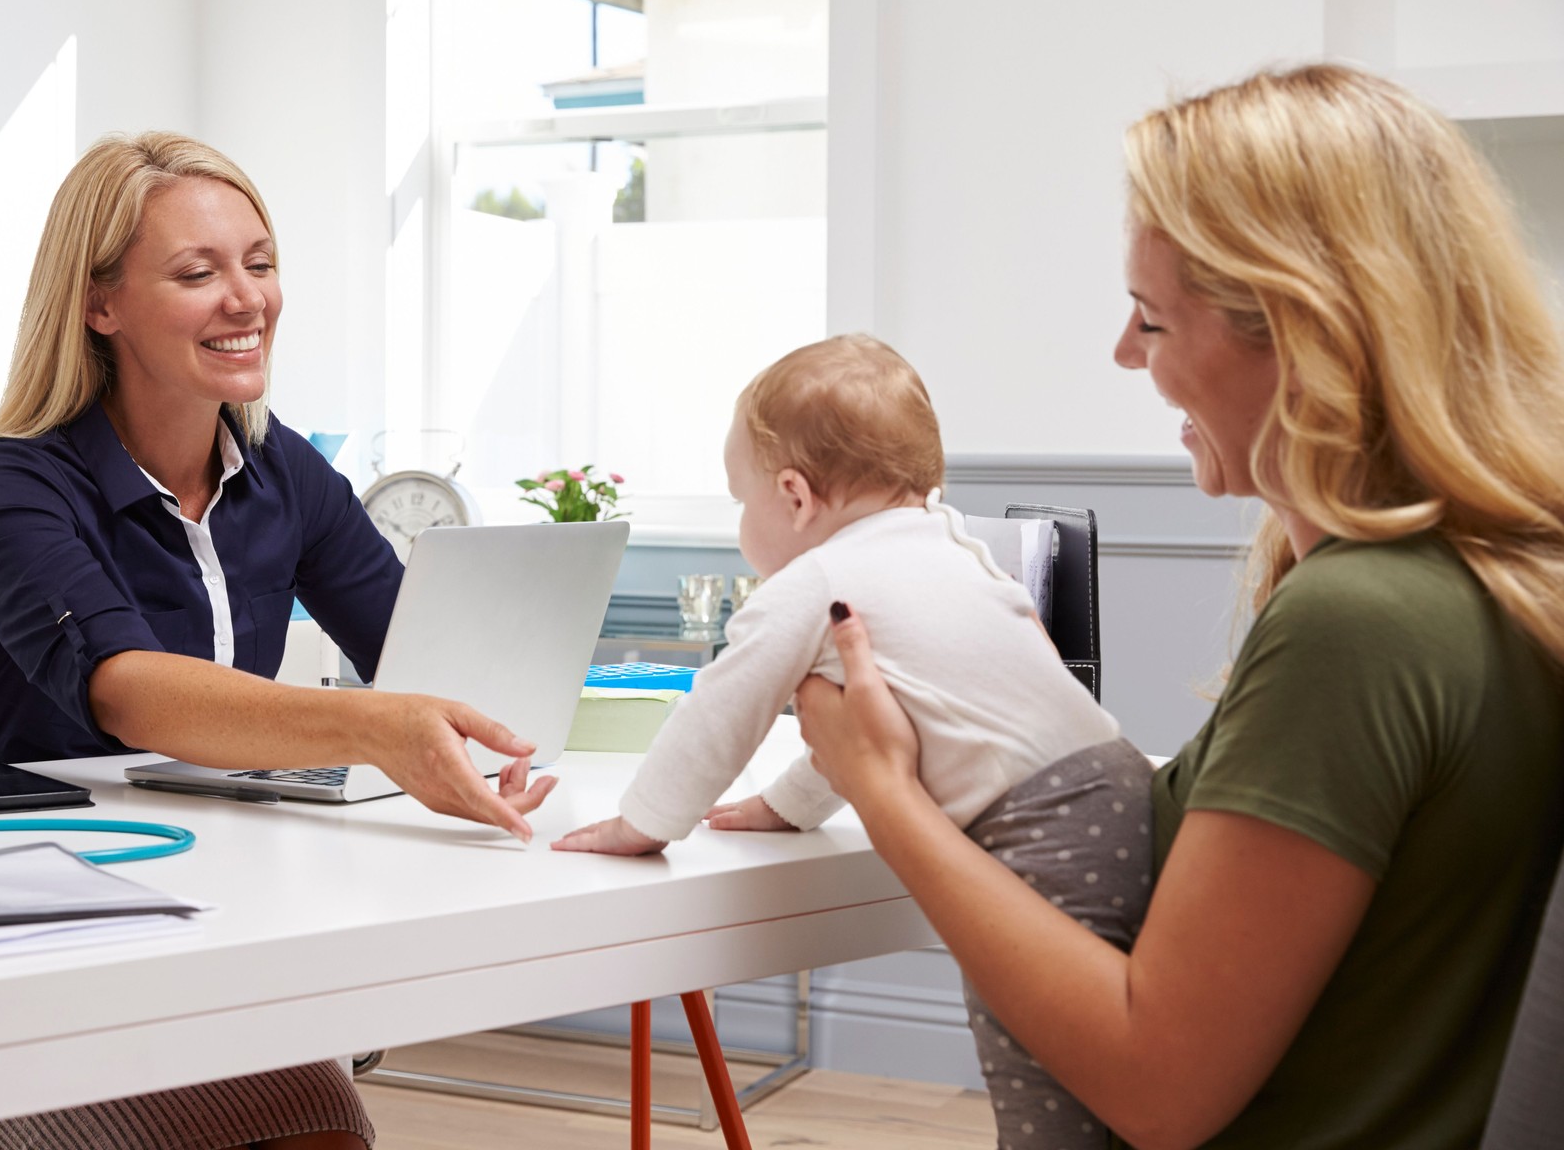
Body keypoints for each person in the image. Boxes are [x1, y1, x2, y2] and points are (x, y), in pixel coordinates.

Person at [794, 64, 1564, 1150]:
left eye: (1152, 320)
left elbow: (1156, 1081)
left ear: (1305, 335)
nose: (1125, 353)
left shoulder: (1361, 623)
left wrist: (883, 790)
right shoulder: (1496, 581)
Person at [0, 133, 555, 1150]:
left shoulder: (282, 468)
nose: (247, 297)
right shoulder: (8, 480)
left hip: (228, 901)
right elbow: (124, 688)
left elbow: (415, 650)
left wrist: (489, 718)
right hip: (44, 925)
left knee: (326, 1131)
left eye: (259, 263)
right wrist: (371, 724)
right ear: (100, 304)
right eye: (197, 271)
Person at [554, 334, 1156, 1139]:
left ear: (795, 497)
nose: (742, 521)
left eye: (741, 499)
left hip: (1037, 836)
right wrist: (787, 807)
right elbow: (872, 729)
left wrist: (647, 819)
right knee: (1118, 1063)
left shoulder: (815, 582)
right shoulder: (956, 547)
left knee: (1044, 1060)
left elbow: (721, 706)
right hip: (1126, 792)